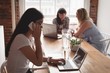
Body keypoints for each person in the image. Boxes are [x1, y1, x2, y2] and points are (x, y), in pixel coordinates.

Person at [6, 8, 65, 73]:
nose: (41, 27)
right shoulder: (21, 38)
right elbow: (38, 62)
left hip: (26, 70)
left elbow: (37, 56)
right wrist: (37, 39)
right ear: (30, 23)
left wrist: (52, 60)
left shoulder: (29, 37)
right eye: (39, 23)